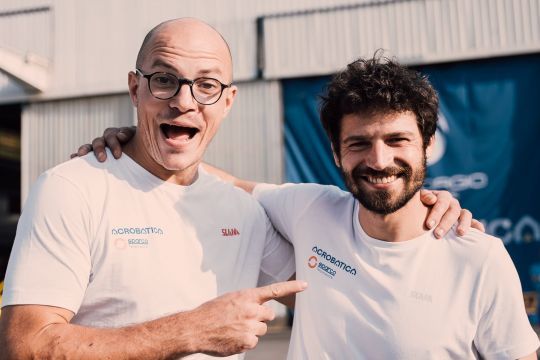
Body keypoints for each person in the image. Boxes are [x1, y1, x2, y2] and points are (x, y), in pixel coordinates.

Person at [88, 54, 538, 358]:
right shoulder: (311, 210)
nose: (379, 161)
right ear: (337, 153)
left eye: (397, 140)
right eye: (359, 143)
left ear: (427, 146)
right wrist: (139, 145)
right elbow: (214, 183)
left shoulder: (478, 257)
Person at [0, 18, 306, 359]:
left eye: (206, 85)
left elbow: (328, 296)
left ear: (228, 101)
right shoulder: (71, 189)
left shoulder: (245, 213)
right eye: (164, 80)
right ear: (135, 89)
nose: (183, 101)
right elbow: (25, 346)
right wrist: (191, 330)